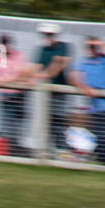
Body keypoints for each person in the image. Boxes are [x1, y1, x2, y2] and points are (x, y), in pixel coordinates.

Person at [70, 36, 105, 166]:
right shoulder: (82, 61)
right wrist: (86, 88)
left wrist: (103, 44)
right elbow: (74, 79)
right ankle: (104, 161)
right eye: (90, 46)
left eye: (94, 46)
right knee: (99, 134)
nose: (92, 49)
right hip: (94, 106)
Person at [0, 33, 33, 151]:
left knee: (18, 127)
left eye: (5, 43)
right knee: (5, 126)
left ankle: (15, 150)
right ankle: (8, 151)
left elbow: (26, 73)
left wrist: (8, 80)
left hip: (19, 96)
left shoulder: (19, 56)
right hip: (4, 96)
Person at [33, 22, 71, 152]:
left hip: (58, 92)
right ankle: (46, 151)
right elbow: (36, 67)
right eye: (46, 34)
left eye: (50, 34)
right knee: (46, 122)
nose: (48, 37)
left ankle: (62, 150)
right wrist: (30, 76)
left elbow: (59, 63)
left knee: (58, 121)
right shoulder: (43, 50)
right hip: (45, 93)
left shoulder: (63, 47)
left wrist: (45, 75)